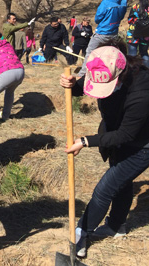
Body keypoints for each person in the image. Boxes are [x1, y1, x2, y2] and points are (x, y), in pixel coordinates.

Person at [60, 43, 149, 258]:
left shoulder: (142, 92)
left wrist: (85, 141)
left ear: (121, 73)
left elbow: (126, 135)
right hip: (116, 136)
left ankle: (81, 233)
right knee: (122, 183)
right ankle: (116, 225)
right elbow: (86, 86)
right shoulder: (103, 68)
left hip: (142, 145)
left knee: (104, 189)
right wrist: (72, 85)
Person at [78, 0, 127, 76]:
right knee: (111, 56)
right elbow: (121, 16)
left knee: (90, 53)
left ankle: (82, 76)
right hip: (114, 33)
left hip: (102, 33)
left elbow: (98, 18)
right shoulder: (123, 2)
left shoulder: (106, 2)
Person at [126, 0, 149, 68]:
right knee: (144, 53)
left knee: (132, 56)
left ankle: (132, 75)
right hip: (146, 35)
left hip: (133, 34)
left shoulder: (136, 7)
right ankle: (146, 75)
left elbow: (130, 21)